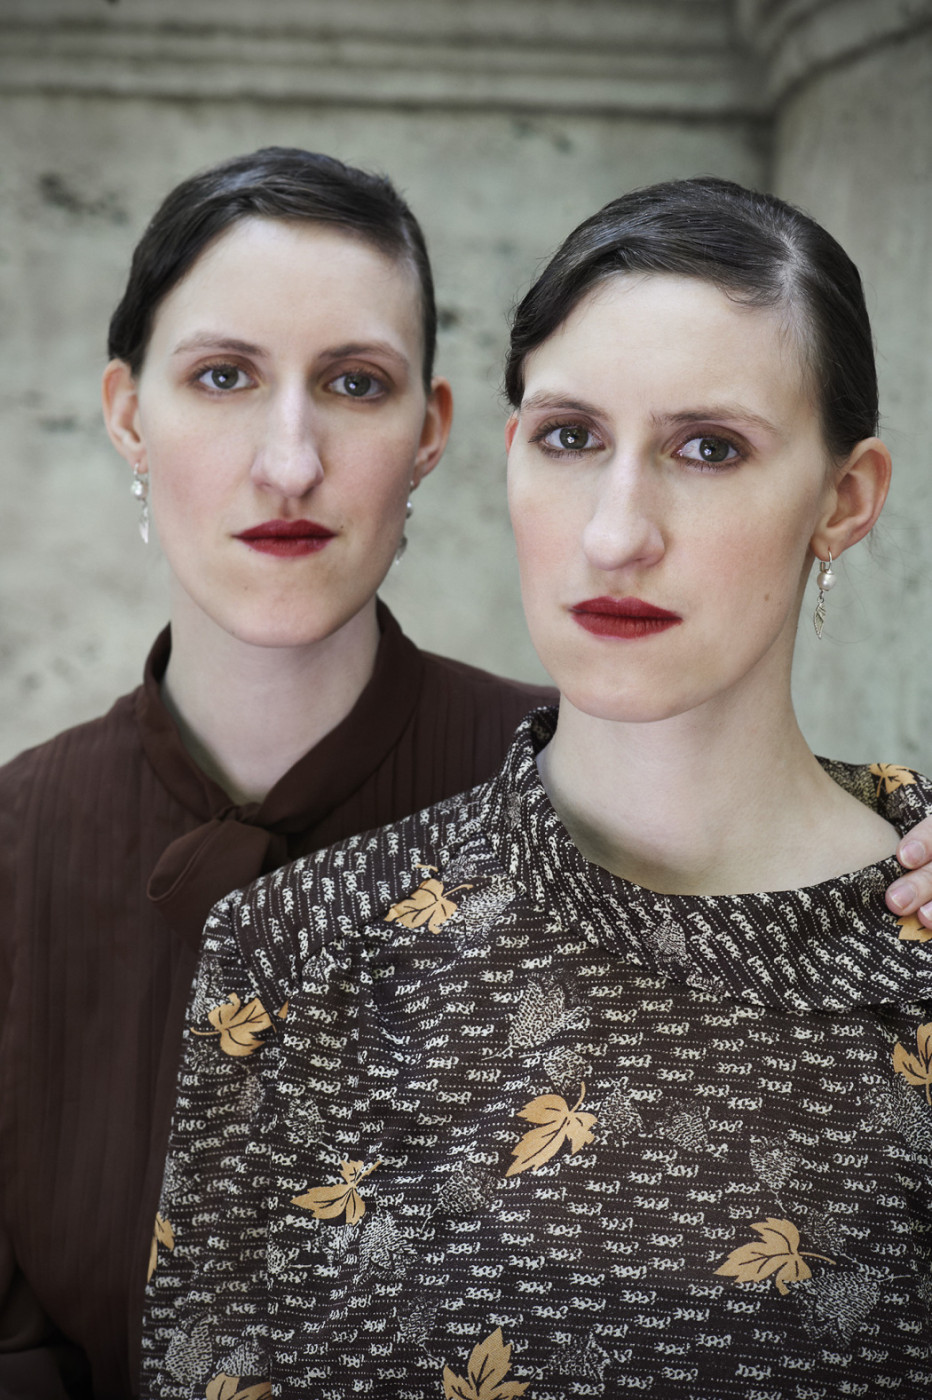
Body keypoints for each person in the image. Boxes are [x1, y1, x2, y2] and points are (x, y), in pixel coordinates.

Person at [142, 177, 932, 1399]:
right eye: (571, 438)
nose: (616, 533)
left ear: (845, 498)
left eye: (707, 448)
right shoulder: (295, 949)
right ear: (510, 454)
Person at [0, 148, 554, 1400]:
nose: (289, 461)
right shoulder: (13, 849)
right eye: (223, 376)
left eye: (354, 383)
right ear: (128, 413)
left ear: (428, 431)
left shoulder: (594, 788)